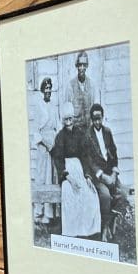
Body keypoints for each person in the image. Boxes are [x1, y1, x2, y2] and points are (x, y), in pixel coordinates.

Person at [50, 101, 101, 238]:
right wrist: (68, 178)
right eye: (66, 119)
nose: (68, 122)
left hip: (79, 168)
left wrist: (88, 176)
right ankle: (73, 230)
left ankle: (87, 230)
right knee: (70, 193)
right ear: (63, 120)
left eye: (70, 118)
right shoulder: (60, 136)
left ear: (73, 118)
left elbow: (85, 156)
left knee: (90, 194)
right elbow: (58, 160)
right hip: (67, 171)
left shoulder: (80, 133)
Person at [83, 103, 129, 241]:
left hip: (110, 173)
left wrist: (114, 174)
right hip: (98, 176)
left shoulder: (107, 132)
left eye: (99, 118)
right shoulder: (87, 136)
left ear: (103, 117)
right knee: (105, 196)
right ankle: (104, 228)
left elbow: (114, 154)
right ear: (91, 119)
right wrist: (103, 176)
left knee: (123, 193)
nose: (97, 122)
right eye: (95, 119)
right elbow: (89, 161)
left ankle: (111, 221)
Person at [31, 76, 60, 225]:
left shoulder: (54, 105)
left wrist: (55, 143)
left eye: (50, 88)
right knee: (42, 176)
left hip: (52, 143)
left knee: (52, 176)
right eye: (46, 88)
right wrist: (45, 143)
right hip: (43, 145)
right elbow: (36, 130)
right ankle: (39, 211)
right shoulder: (38, 106)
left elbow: (57, 126)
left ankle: (51, 213)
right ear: (42, 90)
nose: (48, 91)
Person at [65, 50, 97, 132]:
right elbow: (68, 112)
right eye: (80, 65)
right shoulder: (70, 86)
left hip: (88, 129)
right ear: (76, 66)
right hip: (75, 131)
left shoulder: (92, 85)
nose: (82, 68)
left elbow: (94, 108)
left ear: (87, 66)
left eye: (84, 65)